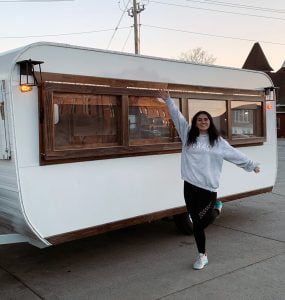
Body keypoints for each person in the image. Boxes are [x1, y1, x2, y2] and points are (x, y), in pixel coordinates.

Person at [157, 90, 260, 270]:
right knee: (196, 222)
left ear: (210, 122)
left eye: (206, 119)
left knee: (202, 222)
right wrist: (169, 101)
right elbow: (178, 118)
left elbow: (234, 154)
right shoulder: (187, 135)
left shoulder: (217, 141)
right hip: (189, 185)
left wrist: (251, 165)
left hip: (208, 187)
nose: (203, 121)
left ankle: (217, 210)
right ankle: (202, 255)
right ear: (195, 122)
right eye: (199, 119)